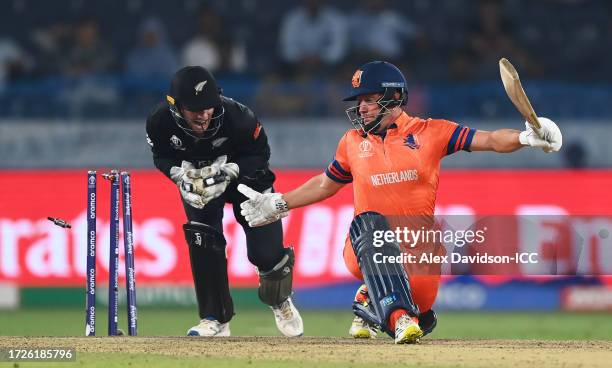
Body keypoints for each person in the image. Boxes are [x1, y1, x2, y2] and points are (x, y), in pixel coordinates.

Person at [238, 61, 562, 344]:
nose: (361, 107)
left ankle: (372, 300)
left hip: (420, 256)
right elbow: (325, 184)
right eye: (359, 101)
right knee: (370, 223)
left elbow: (490, 140)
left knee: (424, 311)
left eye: (368, 99)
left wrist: (525, 138)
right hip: (365, 249)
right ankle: (396, 318)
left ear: (393, 98)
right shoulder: (351, 142)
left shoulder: (431, 132)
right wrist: (279, 203)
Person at [145, 66, 303, 337]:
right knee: (204, 242)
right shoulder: (159, 121)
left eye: (208, 106)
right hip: (200, 185)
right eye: (195, 108)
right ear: (175, 106)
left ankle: (279, 300)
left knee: (265, 254)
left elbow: (261, 153)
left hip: (249, 181)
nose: (204, 114)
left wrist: (230, 171)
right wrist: (179, 175)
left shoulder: (239, 116)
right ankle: (214, 319)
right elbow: (161, 156)